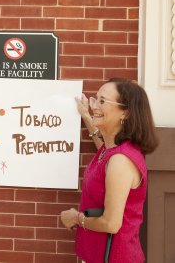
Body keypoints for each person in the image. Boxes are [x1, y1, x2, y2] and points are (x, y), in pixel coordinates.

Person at [60, 78, 158, 263]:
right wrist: (87, 117)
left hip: (115, 258)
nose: (94, 105)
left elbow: (111, 223)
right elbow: (102, 146)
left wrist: (76, 218)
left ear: (126, 113)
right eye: (95, 99)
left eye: (102, 101)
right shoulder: (111, 150)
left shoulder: (120, 161)